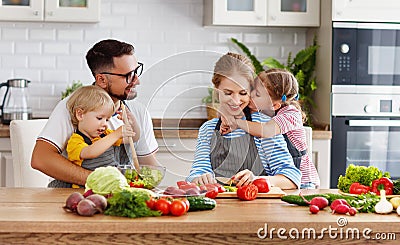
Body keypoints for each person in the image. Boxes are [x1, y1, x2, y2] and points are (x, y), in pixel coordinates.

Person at [31, 39, 159, 187]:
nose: (137, 81)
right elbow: (41, 159)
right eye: (128, 76)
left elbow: (147, 164)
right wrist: (101, 181)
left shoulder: (137, 111)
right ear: (102, 80)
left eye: (136, 72)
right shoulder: (73, 107)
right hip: (75, 197)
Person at [186, 53, 301, 189]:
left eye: (242, 93)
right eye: (228, 93)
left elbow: (291, 178)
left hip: (260, 208)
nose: (235, 101)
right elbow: (197, 171)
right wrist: (199, 178)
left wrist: (257, 180)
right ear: (217, 90)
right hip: (219, 207)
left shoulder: (262, 125)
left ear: (251, 91)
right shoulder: (208, 129)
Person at [224, 68, 320, 189]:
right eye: (252, 89)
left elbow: (266, 130)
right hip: (279, 179)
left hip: (303, 182)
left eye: (257, 94)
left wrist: (237, 123)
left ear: (274, 105)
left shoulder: (290, 114)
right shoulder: (263, 110)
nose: (250, 94)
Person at [49, 85, 137, 188]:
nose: (105, 124)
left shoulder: (106, 135)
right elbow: (90, 152)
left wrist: (133, 124)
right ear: (80, 114)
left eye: (107, 119)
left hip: (108, 186)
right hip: (84, 191)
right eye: (100, 118)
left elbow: (134, 138)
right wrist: (116, 134)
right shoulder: (75, 141)